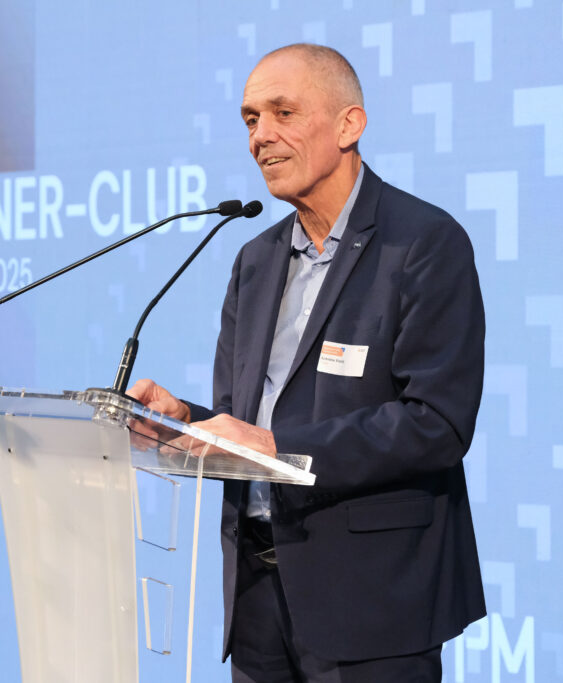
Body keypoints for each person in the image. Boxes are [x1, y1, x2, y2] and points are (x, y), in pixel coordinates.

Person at [128, 43, 486, 682]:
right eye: (250, 120)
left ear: (350, 125)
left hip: (372, 600)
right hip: (258, 595)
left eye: (283, 113)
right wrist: (186, 421)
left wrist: (275, 446)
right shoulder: (255, 260)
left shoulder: (423, 243)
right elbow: (247, 420)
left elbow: (437, 422)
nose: (260, 136)